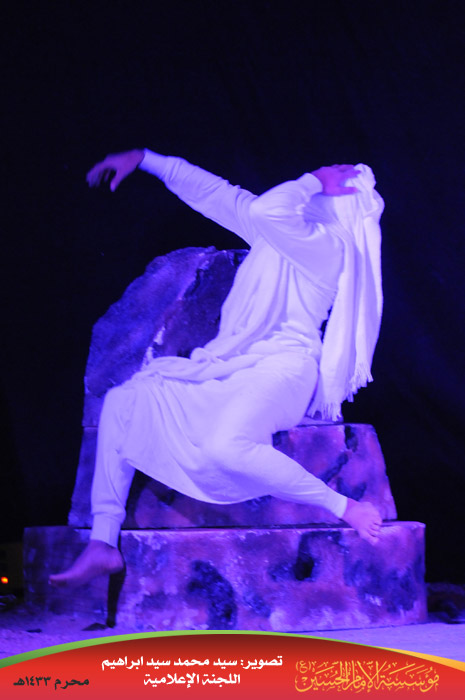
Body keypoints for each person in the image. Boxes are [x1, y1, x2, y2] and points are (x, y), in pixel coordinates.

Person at [49, 148, 384, 588]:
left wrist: (311, 179)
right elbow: (214, 193)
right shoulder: (277, 234)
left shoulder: (326, 247)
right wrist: (145, 158)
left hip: (284, 369)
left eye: (336, 184)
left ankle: (345, 507)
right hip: (232, 366)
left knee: (226, 446)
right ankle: (103, 542)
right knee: (124, 401)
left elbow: (266, 210)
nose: (326, 185)